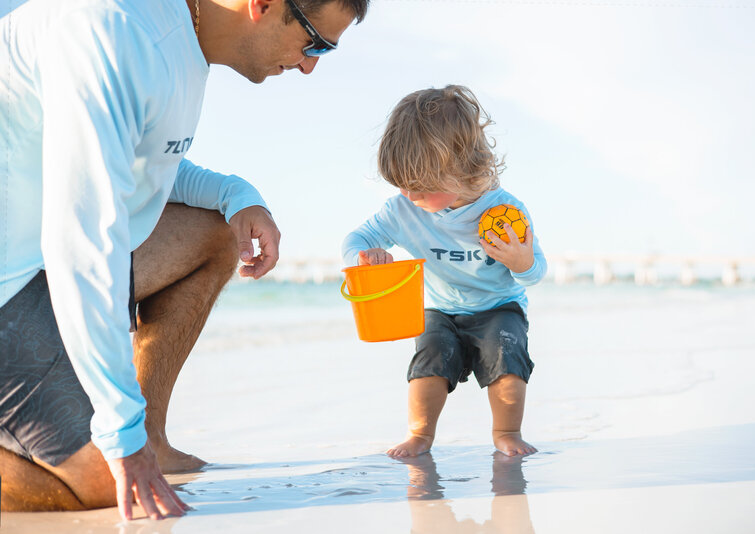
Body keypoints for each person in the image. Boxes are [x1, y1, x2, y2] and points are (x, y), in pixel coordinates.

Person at [0, 0, 369, 520]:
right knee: (114, 491)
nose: (310, 64)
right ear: (262, 4)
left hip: (41, 258)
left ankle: (151, 433)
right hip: (15, 275)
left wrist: (238, 195)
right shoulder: (114, 31)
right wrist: (119, 433)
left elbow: (146, 164)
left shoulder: (183, 44)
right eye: (315, 43)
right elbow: (83, 242)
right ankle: (129, 437)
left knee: (219, 233)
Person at [342, 85, 546, 459]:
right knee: (429, 359)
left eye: (419, 187)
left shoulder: (504, 212)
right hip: (441, 308)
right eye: (401, 185)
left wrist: (521, 261)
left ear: (461, 171)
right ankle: (420, 434)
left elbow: (535, 274)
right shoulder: (404, 210)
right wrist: (363, 257)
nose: (407, 194)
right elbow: (356, 239)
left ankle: (506, 431)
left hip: (498, 305)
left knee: (507, 360)